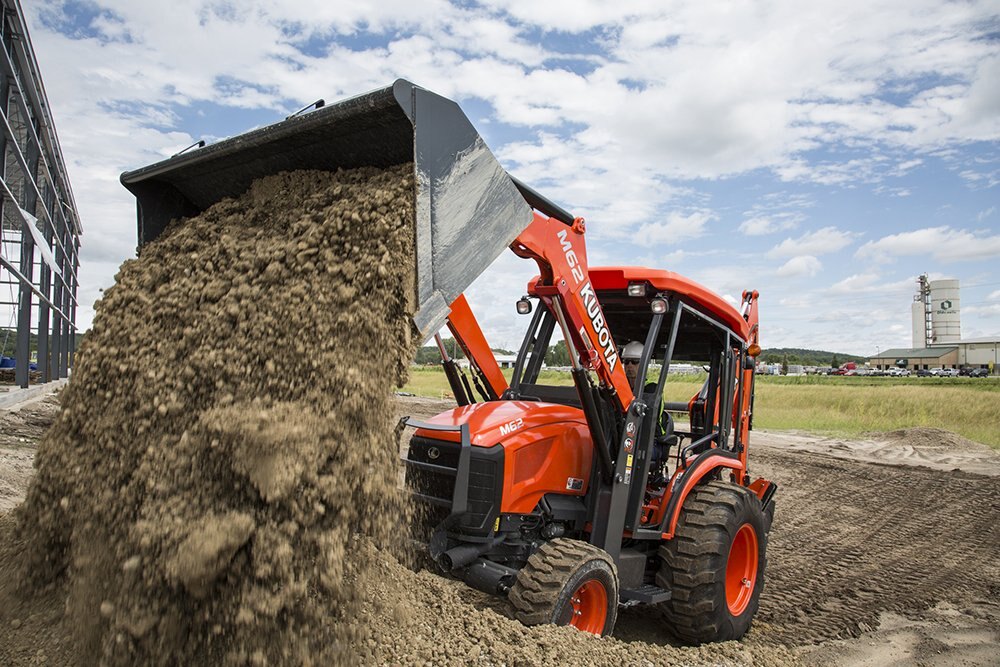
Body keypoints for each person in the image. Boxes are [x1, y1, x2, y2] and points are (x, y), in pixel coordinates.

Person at [621, 341, 677, 459]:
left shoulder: (652, 390)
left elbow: (645, 417)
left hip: (650, 442)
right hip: (626, 438)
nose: (629, 366)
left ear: (644, 364)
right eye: (626, 361)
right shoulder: (621, 388)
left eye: (635, 362)